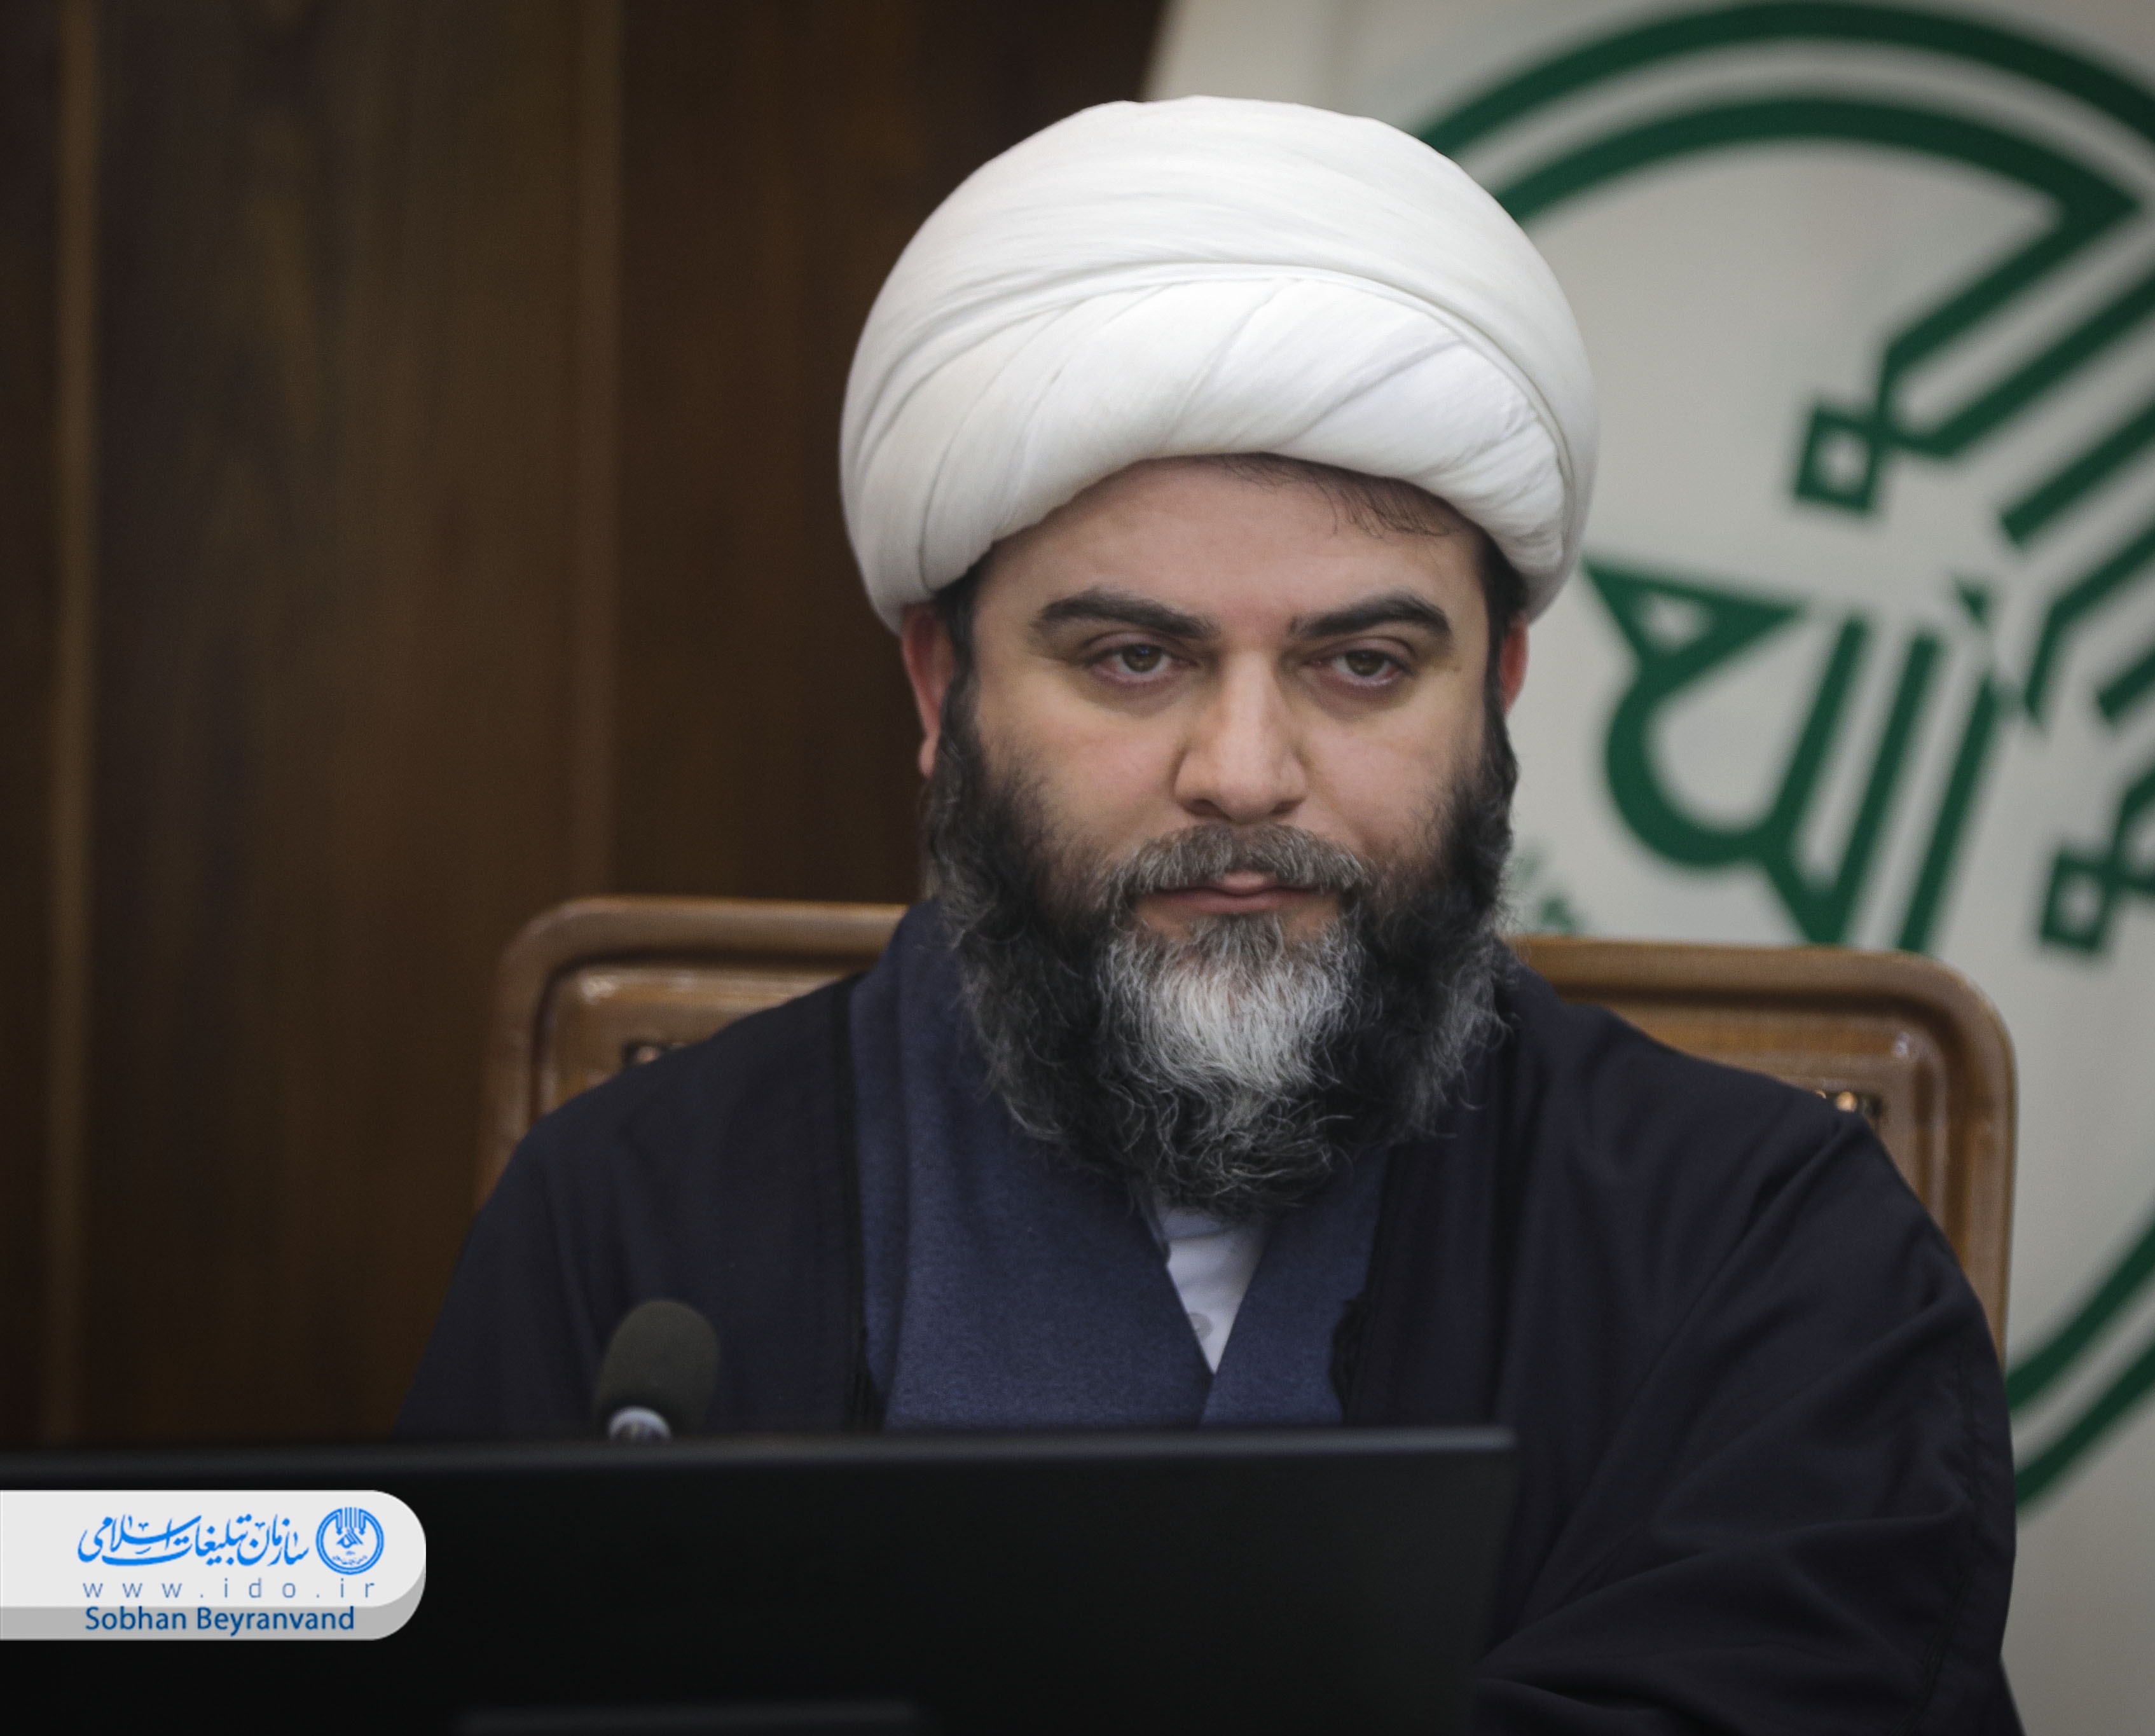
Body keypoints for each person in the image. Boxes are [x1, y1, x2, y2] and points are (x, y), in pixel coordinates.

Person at [401, 97, 2018, 1733]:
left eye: (1360, 665)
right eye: (1132, 658)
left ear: (1498, 691)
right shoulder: (628, 1223)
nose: (1243, 774)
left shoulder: (1765, 1249)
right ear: (942, 686)